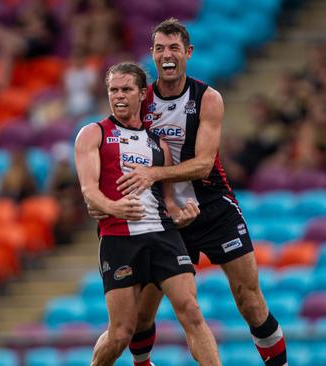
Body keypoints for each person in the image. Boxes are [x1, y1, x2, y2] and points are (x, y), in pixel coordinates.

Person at [90, 18, 288, 366]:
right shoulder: (138, 98)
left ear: (188, 53)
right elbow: (113, 148)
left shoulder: (207, 98)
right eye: (160, 49)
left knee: (249, 299)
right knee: (141, 315)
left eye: (174, 48)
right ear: (151, 55)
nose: (167, 55)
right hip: (162, 214)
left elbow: (204, 164)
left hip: (212, 205)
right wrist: (101, 201)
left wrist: (154, 173)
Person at [75, 61, 220, 366]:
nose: (119, 96)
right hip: (119, 238)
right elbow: (89, 191)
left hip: (163, 234)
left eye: (126, 89)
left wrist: (182, 215)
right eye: (113, 90)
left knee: (191, 311)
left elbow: (168, 202)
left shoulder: (159, 145)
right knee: (120, 333)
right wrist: (114, 207)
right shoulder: (94, 134)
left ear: (142, 93)